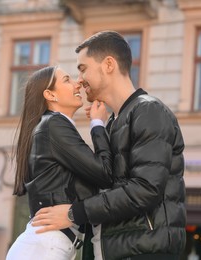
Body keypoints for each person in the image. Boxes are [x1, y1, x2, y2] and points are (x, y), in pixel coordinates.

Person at [32, 31, 186, 260]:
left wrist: (74, 213)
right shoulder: (113, 123)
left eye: (83, 68)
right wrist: (98, 126)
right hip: (111, 251)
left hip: (144, 251)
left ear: (109, 65)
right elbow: (107, 182)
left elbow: (146, 189)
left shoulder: (149, 110)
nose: (80, 80)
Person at [6, 65, 114, 260]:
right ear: (50, 94)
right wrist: (98, 125)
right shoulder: (54, 125)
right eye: (67, 80)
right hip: (46, 246)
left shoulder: (50, 126)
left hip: (47, 244)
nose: (78, 83)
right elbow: (105, 173)